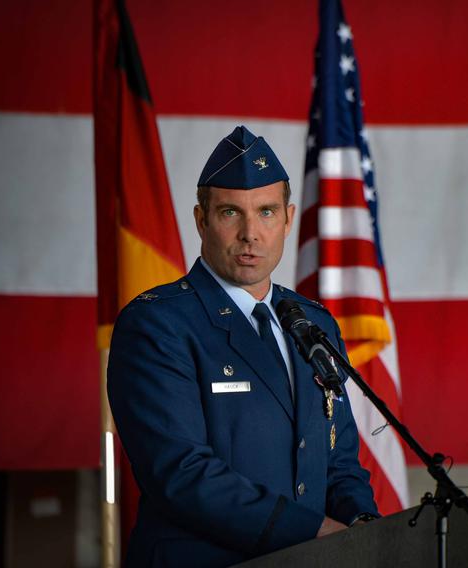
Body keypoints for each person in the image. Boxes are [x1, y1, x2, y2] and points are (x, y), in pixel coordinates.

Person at [107, 125, 378, 567]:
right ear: (201, 220)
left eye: (267, 212)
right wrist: (316, 532)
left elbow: (339, 460)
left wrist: (366, 526)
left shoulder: (313, 322)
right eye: (231, 213)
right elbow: (182, 474)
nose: (251, 233)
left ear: (289, 219)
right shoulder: (157, 325)